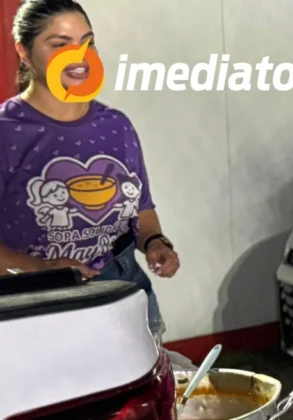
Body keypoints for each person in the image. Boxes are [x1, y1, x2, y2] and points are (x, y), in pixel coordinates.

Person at [0, 0, 180, 337]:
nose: (79, 55)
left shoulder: (116, 126)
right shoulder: (6, 132)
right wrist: (42, 267)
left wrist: (155, 242)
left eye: (87, 41)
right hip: (35, 304)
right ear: (24, 52)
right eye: (59, 44)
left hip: (122, 288)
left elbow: (141, 209)